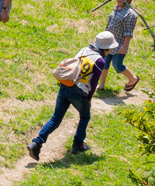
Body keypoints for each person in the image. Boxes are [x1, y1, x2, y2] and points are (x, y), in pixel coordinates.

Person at [27, 31, 117, 160]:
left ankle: (37, 143)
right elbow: (94, 82)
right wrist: (89, 99)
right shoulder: (100, 61)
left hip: (65, 86)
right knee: (85, 116)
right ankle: (78, 144)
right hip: (79, 92)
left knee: (55, 119)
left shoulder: (84, 50)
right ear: (107, 47)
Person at [104, 0, 141, 92]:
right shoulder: (116, 9)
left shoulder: (130, 14)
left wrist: (124, 46)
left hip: (119, 44)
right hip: (108, 43)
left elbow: (128, 32)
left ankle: (133, 79)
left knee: (118, 66)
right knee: (104, 64)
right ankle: (101, 86)